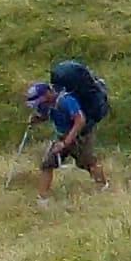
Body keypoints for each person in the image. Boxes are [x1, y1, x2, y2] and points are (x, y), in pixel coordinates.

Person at [22, 62, 108, 196]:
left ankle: (103, 187)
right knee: (47, 164)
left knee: (87, 163)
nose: (39, 104)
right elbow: (48, 114)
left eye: (40, 100)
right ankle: (43, 198)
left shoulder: (66, 100)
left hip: (81, 135)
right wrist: (38, 120)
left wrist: (65, 143)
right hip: (62, 136)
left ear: (48, 93)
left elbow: (80, 120)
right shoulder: (47, 103)